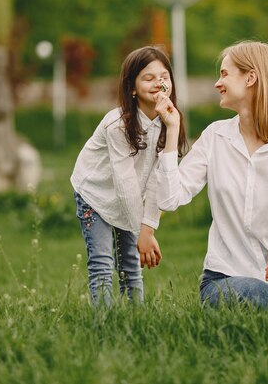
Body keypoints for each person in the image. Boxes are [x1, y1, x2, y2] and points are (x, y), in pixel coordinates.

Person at [154, 41, 268, 315]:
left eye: (224, 74)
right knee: (258, 295)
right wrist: (172, 130)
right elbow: (168, 198)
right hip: (223, 279)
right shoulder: (215, 137)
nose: (217, 83)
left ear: (251, 77)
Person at [70, 46, 187, 306]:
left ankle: (134, 322)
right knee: (102, 262)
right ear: (132, 88)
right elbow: (125, 185)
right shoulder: (118, 125)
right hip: (95, 194)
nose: (158, 82)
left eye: (164, 76)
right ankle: (104, 324)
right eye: (148, 77)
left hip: (132, 198)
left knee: (131, 264)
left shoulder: (169, 121)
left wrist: (148, 230)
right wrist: (140, 232)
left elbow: (160, 178)